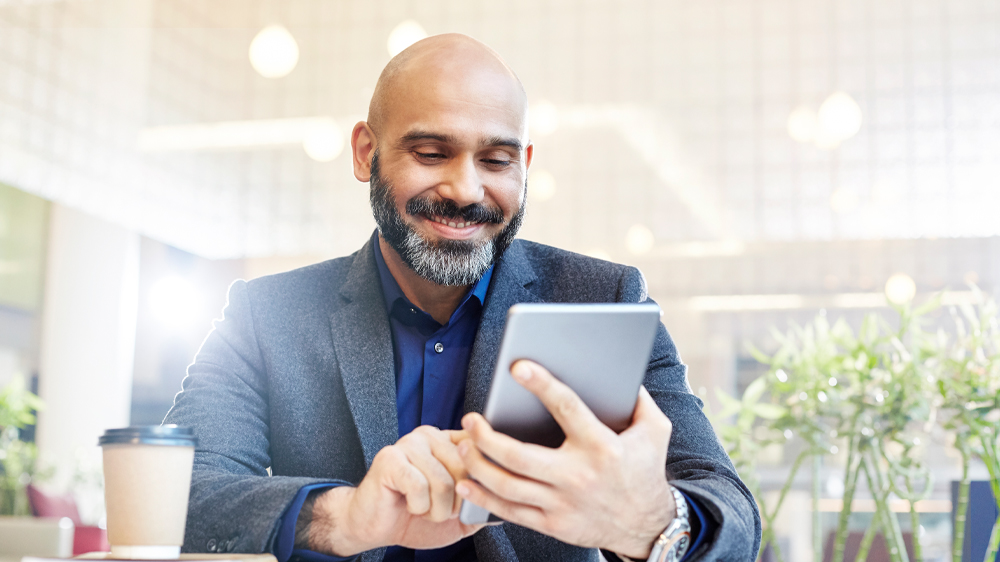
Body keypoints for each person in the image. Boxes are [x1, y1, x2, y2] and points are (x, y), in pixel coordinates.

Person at [163, 34, 760, 562]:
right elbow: (176, 492)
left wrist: (653, 523)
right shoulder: (266, 315)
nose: (465, 189)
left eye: (496, 160)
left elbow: (729, 513)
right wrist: (344, 517)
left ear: (524, 165)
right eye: (431, 153)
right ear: (366, 152)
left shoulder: (605, 297)